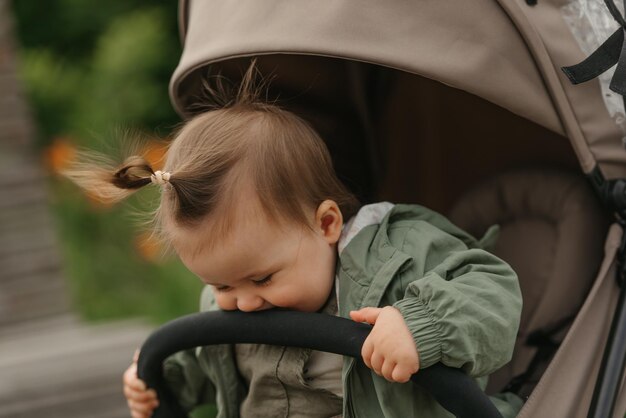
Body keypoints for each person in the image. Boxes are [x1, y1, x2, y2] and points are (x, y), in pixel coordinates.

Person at [65, 65, 523, 418]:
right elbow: (204, 362)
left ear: (325, 224)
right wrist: (156, 376)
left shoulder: (399, 257)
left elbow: (491, 288)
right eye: (222, 287)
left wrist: (420, 325)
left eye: (261, 277)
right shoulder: (241, 301)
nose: (243, 304)